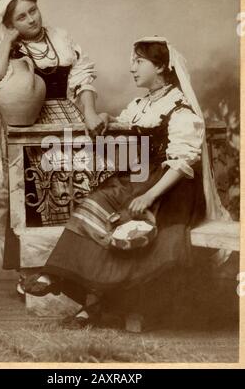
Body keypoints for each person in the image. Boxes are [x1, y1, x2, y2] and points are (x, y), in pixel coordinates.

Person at [23, 36, 232, 331]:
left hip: (172, 188)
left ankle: (112, 307)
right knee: (94, 205)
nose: (131, 68)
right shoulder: (141, 104)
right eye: (132, 61)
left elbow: (183, 164)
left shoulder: (180, 109)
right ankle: (56, 276)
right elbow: (128, 129)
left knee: (129, 222)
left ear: (160, 66)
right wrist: (109, 118)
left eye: (139, 61)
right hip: (141, 177)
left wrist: (148, 197)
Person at [0, 0, 108, 294]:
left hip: (68, 114)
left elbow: (83, 78)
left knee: (80, 184)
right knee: (36, 192)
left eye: (32, 11)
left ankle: (78, 270)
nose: (31, 20)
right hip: (30, 121)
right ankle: (32, 274)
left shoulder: (61, 38)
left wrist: (89, 112)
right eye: (21, 17)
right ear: (11, 23)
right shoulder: (8, 47)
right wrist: (7, 40)